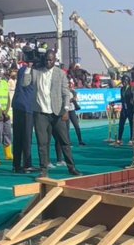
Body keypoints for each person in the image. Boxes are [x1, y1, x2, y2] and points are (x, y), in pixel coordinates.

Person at [21, 50, 81, 179]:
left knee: (64, 141)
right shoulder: (36, 71)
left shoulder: (60, 73)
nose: (49, 62)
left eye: (51, 60)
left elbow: (65, 93)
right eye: (47, 60)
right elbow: (24, 83)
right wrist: (28, 67)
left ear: (55, 60)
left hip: (58, 112)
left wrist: (66, 110)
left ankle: (71, 167)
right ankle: (44, 170)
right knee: (42, 142)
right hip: (40, 113)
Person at [11, 59, 35, 173]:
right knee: (26, 137)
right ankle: (27, 164)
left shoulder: (22, 70)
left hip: (18, 105)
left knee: (18, 137)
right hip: (27, 107)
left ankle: (16, 165)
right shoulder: (32, 72)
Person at [115, 74, 134, 145]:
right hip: (124, 109)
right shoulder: (121, 89)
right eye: (123, 81)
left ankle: (131, 139)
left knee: (131, 124)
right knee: (121, 124)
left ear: (128, 81)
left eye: (125, 81)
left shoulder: (132, 88)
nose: (123, 82)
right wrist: (114, 102)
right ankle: (119, 139)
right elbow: (122, 99)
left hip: (130, 109)